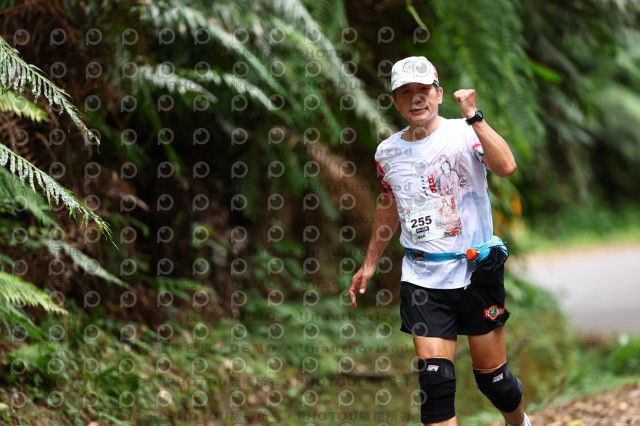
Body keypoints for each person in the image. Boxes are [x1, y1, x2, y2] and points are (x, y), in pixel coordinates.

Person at [348, 56, 531, 426]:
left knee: (495, 382)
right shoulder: (387, 152)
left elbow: (506, 166)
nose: (416, 98)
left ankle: (519, 422)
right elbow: (389, 204)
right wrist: (369, 263)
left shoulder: (465, 132)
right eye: (406, 92)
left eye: (423, 90)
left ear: (439, 94)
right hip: (423, 280)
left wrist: (475, 117)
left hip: (477, 274)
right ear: (395, 101)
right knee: (435, 387)